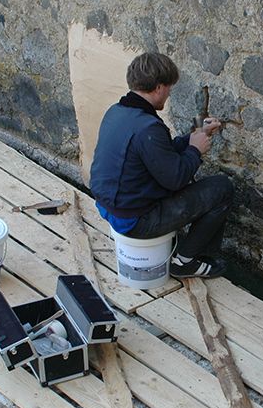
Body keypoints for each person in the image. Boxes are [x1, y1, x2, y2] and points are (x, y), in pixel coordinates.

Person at [90, 52, 233, 279]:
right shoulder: (149, 128)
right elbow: (176, 178)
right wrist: (195, 150)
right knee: (222, 188)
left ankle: (185, 251)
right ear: (158, 87)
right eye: (169, 88)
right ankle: (186, 262)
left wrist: (194, 136)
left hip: (110, 208)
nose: (169, 94)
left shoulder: (117, 112)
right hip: (136, 221)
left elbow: (159, 154)